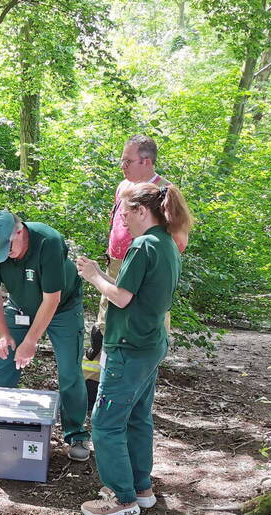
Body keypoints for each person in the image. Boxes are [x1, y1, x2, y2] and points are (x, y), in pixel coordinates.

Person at [76, 182, 192, 515]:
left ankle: (121, 498)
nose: (121, 219)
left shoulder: (143, 246)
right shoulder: (167, 243)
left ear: (142, 211)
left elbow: (122, 297)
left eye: (124, 212)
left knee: (106, 421)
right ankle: (142, 488)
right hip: (151, 342)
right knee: (138, 415)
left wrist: (94, 275)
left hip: (130, 346)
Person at [0, 210, 91, 462]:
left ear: (19, 231)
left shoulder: (48, 242)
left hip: (62, 308)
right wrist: (4, 335)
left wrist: (30, 341)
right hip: (19, 307)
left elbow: (52, 300)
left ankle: (76, 434)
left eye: (9, 248)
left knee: (70, 370)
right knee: (3, 362)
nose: (5, 256)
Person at [84, 136, 185, 412]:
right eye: (122, 160)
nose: (122, 166)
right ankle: (95, 392)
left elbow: (178, 241)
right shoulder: (124, 186)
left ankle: (131, 395)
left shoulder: (163, 192)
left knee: (139, 329)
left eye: (127, 161)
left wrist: (146, 260)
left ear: (147, 161)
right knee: (103, 328)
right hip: (116, 262)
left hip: (145, 269)